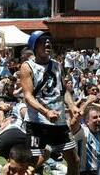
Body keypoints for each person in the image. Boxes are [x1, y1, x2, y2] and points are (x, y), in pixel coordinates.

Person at [20, 31, 80, 175]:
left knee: (74, 160)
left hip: (58, 122)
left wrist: (72, 106)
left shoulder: (58, 65)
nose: (48, 43)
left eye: (48, 40)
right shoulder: (27, 67)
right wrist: (46, 112)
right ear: (34, 46)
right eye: (43, 41)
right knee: (34, 164)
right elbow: (28, 96)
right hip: (37, 122)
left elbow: (63, 91)